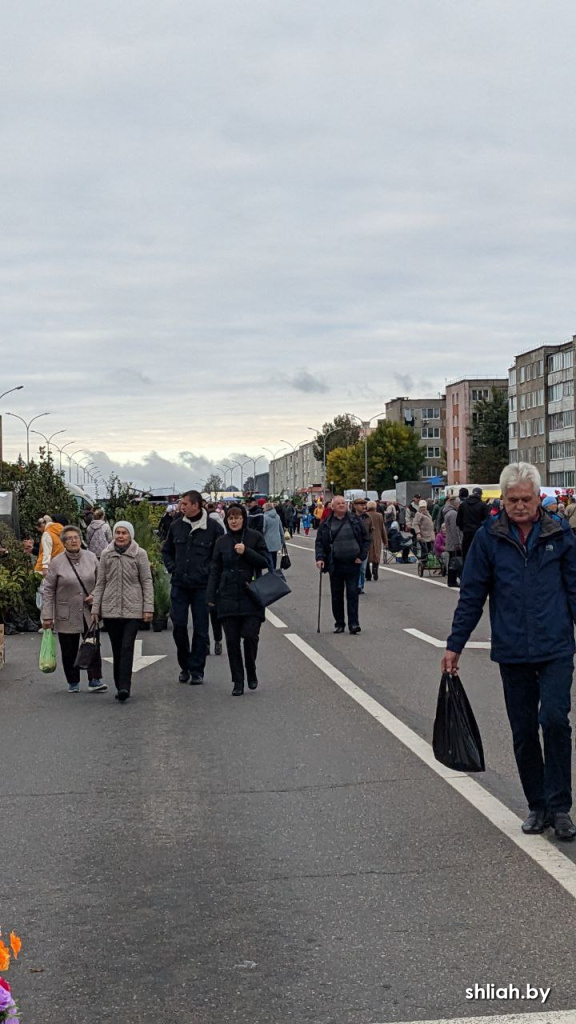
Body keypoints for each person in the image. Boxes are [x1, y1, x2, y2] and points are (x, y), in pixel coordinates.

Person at [442, 461, 576, 842]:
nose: (520, 505)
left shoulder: (560, 533)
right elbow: (472, 595)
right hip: (513, 647)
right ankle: (538, 806)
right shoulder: (489, 537)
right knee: (523, 730)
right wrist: (455, 645)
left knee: (554, 720)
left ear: (539, 498)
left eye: (526, 499)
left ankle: (561, 807)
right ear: (503, 499)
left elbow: (574, 588)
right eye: (513, 499)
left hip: (555, 646)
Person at [206, 504, 270, 695]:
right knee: (232, 641)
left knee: (250, 636)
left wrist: (247, 551)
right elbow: (215, 569)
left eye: (238, 517)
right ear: (227, 520)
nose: (234, 521)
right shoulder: (221, 541)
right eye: (231, 518)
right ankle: (238, 680)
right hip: (227, 596)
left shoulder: (254, 537)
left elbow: (266, 561)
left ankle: (251, 669)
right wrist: (210, 596)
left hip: (251, 595)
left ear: (244, 518)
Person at [162, 489, 223, 684]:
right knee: (178, 625)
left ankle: (197, 669)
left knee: (201, 629)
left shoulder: (213, 528)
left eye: (185, 504)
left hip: (202, 586)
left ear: (196, 505)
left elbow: (219, 556)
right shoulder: (176, 525)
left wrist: (209, 574)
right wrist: (173, 568)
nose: (181, 507)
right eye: (181, 504)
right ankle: (184, 665)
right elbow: (167, 550)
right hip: (180, 584)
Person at [91, 521, 153, 702]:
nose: (120, 536)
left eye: (124, 533)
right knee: (117, 649)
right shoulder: (106, 554)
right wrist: (96, 608)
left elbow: (146, 581)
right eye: (117, 532)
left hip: (133, 609)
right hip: (110, 610)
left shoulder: (139, 554)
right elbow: (100, 582)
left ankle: (125, 686)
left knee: (127, 647)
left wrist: (148, 608)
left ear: (130, 535)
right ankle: (120, 685)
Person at [41, 524, 106, 693]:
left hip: (88, 611)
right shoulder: (57, 562)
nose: (73, 541)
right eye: (69, 539)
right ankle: (73, 681)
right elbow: (47, 589)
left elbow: (102, 582)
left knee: (92, 645)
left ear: (80, 539)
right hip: (66, 612)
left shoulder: (91, 557)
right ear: (63, 543)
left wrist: (95, 595)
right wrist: (47, 615)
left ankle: (95, 679)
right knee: (69, 649)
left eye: (76, 537)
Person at [315, 495, 370, 635]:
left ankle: (354, 623)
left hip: (353, 563)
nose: (341, 505)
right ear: (332, 507)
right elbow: (320, 542)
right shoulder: (326, 523)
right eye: (338, 503)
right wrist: (320, 558)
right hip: (335, 564)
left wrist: (361, 556)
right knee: (336, 595)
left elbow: (366, 539)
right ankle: (339, 623)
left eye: (343, 503)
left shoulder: (355, 520)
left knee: (353, 593)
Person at [456, 486, 488, 562]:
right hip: (479, 533)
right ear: (480, 495)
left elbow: (458, 521)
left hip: (467, 532)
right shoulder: (482, 505)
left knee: (466, 555)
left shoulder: (463, 505)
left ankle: (466, 572)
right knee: (479, 556)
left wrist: (463, 528)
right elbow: (487, 520)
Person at [365, 500, 387, 581]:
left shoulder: (365, 515)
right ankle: (375, 569)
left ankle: (368, 574)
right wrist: (385, 540)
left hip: (367, 537)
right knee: (376, 555)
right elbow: (382, 528)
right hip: (377, 537)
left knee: (366, 555)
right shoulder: (379, 515)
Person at [262, 501, 285, 571]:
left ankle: (271, 572)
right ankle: (274, 570)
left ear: (266, 509)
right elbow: (281, 528)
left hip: (267, 540)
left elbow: (263, 529)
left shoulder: (265, 517)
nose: (263, 510)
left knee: (269, 558)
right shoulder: (277, 516)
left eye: (263, 508)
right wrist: (282, 539)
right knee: (274, 557)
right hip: (276, 539)